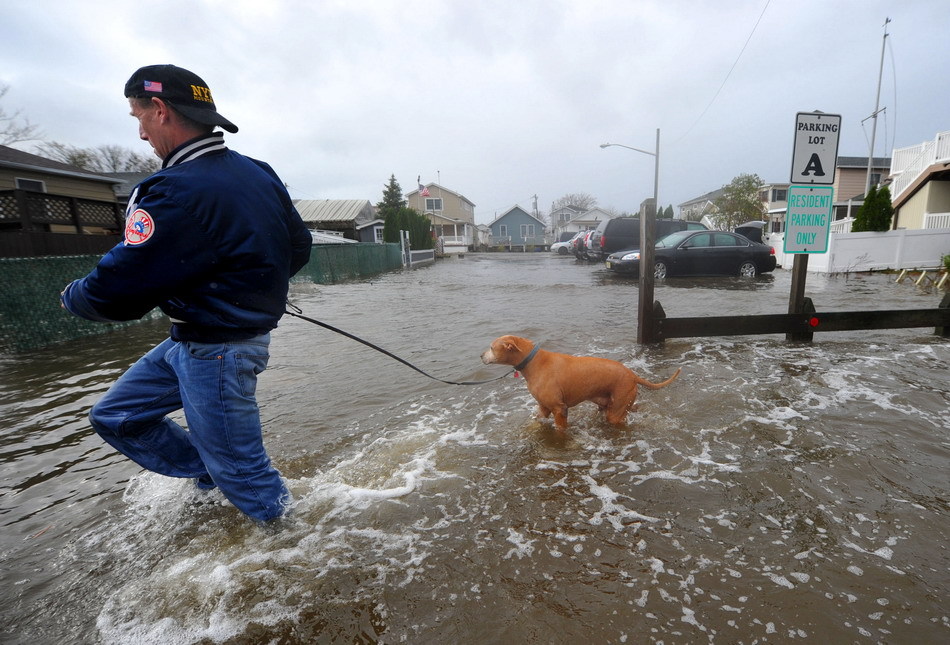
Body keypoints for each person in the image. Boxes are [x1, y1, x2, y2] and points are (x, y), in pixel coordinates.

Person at [61, 64, 312, 523]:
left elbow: (120, 289)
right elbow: (297, 247)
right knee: (115, 416)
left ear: (159, 110)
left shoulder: (169, 191)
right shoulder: (258, 172)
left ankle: (296, 547)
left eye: (138, 118)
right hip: (190, 339)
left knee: (247, 474)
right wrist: (245, 290)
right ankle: (215, 474)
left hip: (217, 351)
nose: (140, 134)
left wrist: (73, 297)